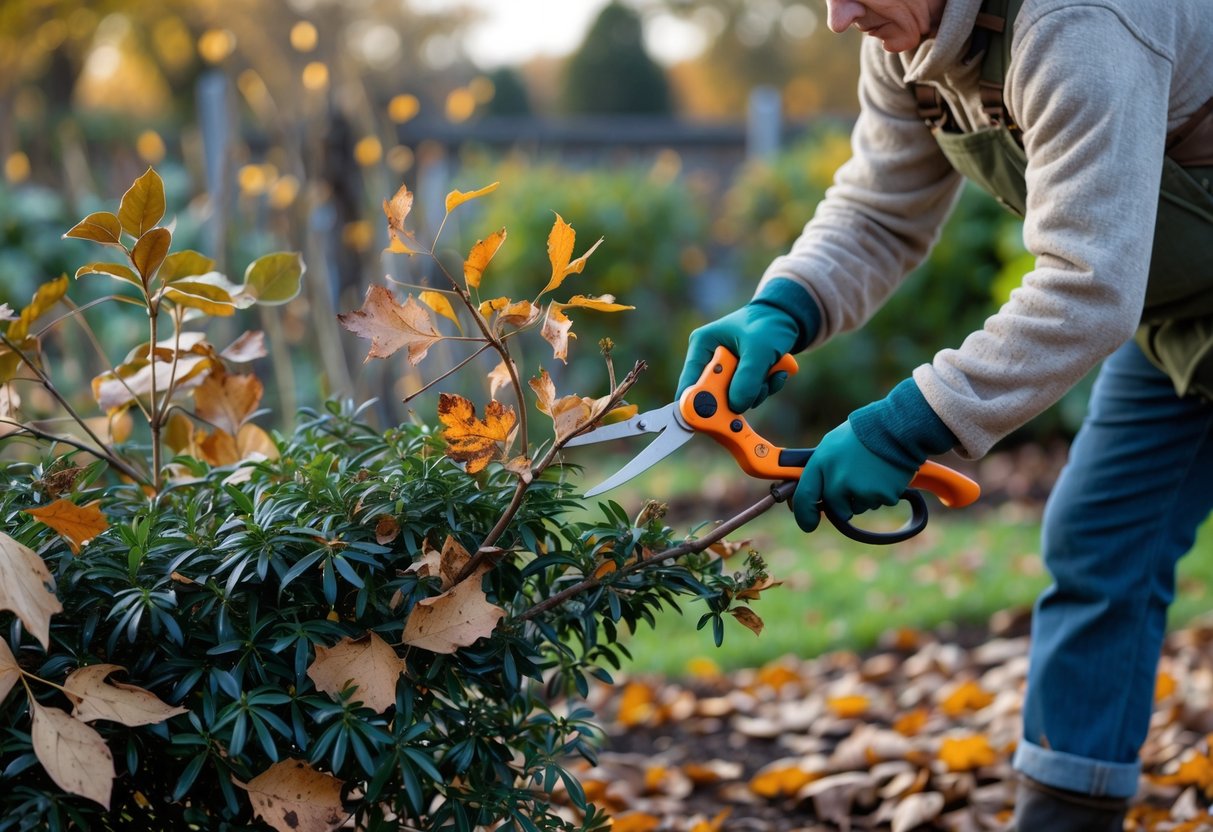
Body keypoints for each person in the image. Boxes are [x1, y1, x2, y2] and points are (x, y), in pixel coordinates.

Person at [676, 0, 1213, 828]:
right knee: (1101, 542)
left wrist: (903, 427)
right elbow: (878, 210)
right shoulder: (910, 40)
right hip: (1179, 322)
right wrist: (782, 307)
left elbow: (1088, 285)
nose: (836, 17)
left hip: (1138, 298)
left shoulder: (1077, 22)